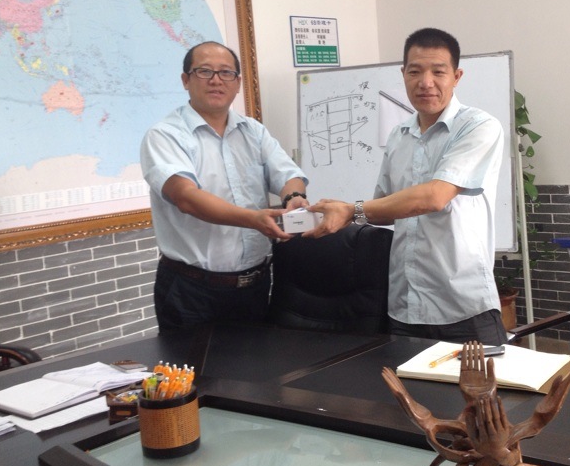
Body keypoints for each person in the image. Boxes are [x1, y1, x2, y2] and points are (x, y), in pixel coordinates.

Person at [307, 28, 506, 344]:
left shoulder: (478, 127)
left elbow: (435, 197)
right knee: (401, 380)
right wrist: (338, 211)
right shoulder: (399, 135)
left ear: (456, 76)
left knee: (479, 380)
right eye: (415, 72)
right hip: (405, 305)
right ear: (403, 74)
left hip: (462, 306)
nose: (426, 82)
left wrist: (351, 210)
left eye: (438, 72)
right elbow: (385, 211)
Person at [140, 41, 308, 330]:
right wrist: (253, 219)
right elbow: (186, 197)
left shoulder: (253, 131)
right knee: (191, 361)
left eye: (226, 73)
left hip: (254, 286)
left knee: (256, 359)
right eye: (205, 71)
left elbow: (287, 173)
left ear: (238, 83)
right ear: (185, 80)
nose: (216, 80)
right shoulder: (165, 135)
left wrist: (293, 197)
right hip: (191, 291)